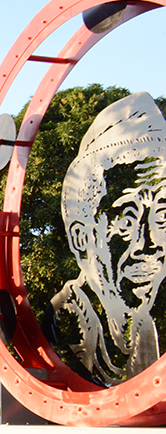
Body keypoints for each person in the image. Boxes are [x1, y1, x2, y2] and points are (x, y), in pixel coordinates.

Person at [52, 91, 166, 385]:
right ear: (81, 238)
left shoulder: (144, 328)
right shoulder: (60, 327)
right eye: (127, 222)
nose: (149, 246)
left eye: (162, 217)